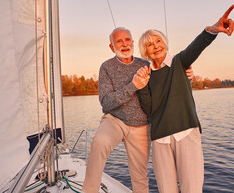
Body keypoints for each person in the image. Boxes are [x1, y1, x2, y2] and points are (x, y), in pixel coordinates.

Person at [135, 5, 234, 193]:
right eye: (150, 44)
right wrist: (141, 87)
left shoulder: (180, 61)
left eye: (158, 41)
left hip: (186, 132)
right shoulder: (145, 75)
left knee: (192, 188)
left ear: (165, 43)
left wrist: (214, 29)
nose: (155, 46)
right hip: (160, 139)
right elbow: (149, 109)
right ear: (145, 52)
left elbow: (197, 46)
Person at [82, 27, 194, 193]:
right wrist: (132, 86)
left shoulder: (146, 65)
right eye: (119, 41)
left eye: (127, 40)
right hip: (115, 120)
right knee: (100, 143)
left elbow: (169, 87)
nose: (124, 44)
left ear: (133, 43)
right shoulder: (106, 67)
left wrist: (186, 76)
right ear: (112, 47)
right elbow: (106, 103)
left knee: (140, 175)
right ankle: (89, 190)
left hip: (142, 125)